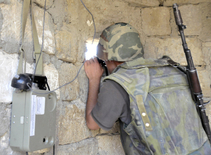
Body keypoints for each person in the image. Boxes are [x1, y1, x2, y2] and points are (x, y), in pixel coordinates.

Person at [84, 22, 211, 155]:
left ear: (109, 56)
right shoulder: (174, 69)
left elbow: (92, 124)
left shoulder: (118, 83)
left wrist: (94, 80)